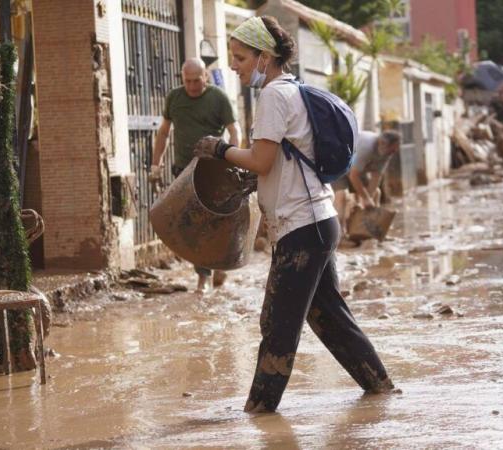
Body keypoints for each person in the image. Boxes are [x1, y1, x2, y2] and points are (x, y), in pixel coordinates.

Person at [194, 16, 395, 413]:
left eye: (240, 58)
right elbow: (280, 162)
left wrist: (219, 149)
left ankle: (259, 413)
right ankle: (381, 390)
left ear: (264, 58)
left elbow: (263, 159)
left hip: (303, 228)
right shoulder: (291, 91)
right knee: (330, 318)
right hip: (317, 222)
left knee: (277, 326)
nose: (233, 65)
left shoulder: (272, 96)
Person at [149, 58, 239, 294]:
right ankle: (203, 276)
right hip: (183, 170)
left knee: (215, 222)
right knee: (193, 224)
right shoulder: (175, 98)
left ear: (205, 77)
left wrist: (235, 158)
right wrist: (155, 164)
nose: (191, 86)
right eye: (187, 81)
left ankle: (218, 264)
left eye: (196, 81)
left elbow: (233, 129)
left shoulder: (218, 98)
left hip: (212, 171)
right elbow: (164, 132)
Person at [332, 130, 401, 233]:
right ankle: (340, 236)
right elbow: (353, 175)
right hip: (339, 165)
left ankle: (368, 231)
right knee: (342, 195)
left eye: (395, 149)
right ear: (383, 143)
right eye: (393, 148)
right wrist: (365, 198)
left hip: (356, 170)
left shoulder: (387, 153)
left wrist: (368, 199)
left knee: (376, 193)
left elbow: (376, 176)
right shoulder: (367, 146)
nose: (394, 151)